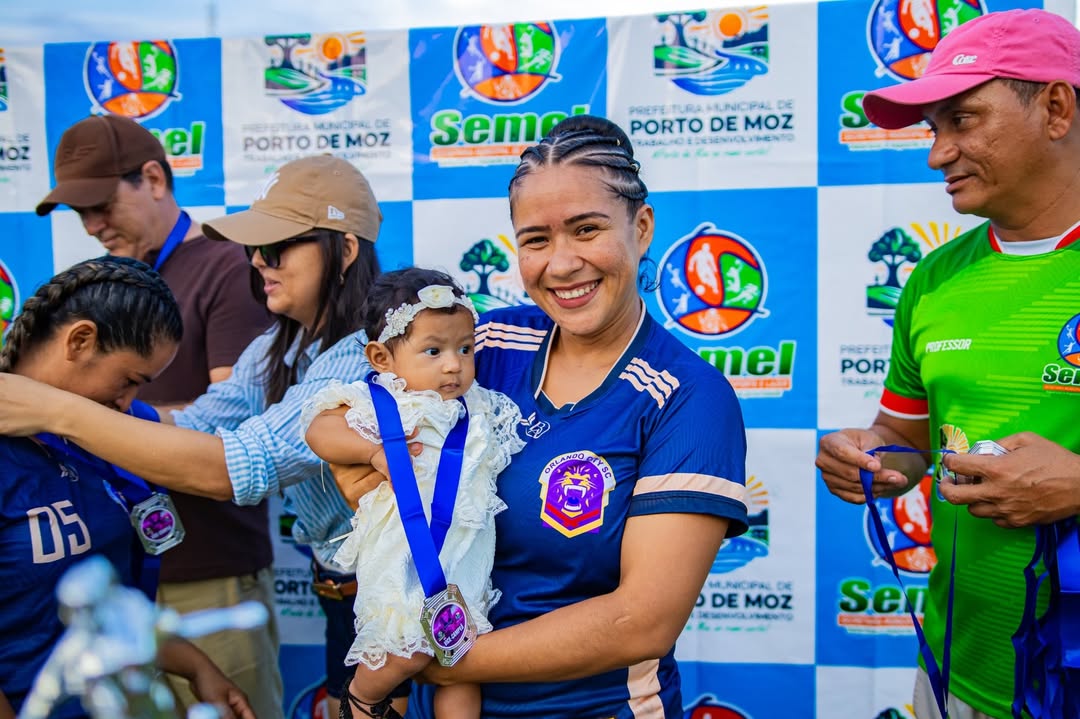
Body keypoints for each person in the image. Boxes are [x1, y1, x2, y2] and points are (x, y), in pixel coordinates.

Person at [331, 115, 749, 719]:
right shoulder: (480, 346)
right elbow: (360, 425)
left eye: (587, 229)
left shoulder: (689, 397)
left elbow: (641, 622)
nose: (562, 263)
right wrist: (365, 473)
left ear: (642, 227)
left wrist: (423, 656)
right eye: (535, 240)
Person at [0, 154, 389, 719]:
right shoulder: (280, 346)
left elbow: (238, 467)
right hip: (339, 593)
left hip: (388, 602)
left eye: (276, 246)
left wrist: (57, 409)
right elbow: (198, 422)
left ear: (345, 249)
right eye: (254, 247)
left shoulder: (366, 356)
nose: (257, 261)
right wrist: (68, 400)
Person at [816, 9, 1080, 719]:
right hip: (955, 675)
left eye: (962, 120)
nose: (937, 154)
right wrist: (871, 457)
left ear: (1056, 108)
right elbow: (905, 442)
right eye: (934, 128)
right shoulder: (934, 278)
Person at [36, 114, 279, 718]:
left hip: (206, 576)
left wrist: (78, 418)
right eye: (79, 212)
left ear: (153, 178)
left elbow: (237, 427)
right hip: (113, 579)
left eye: (100, 205)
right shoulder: (102, 284)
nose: (91, 226)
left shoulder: (228, 266)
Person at [0, 256, 254, 719]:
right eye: (129, 381)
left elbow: (108, 606)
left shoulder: (109, 426)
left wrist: (195, 666)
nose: (128, 402)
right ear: (80, 340)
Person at [301, 268, 524, 719]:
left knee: (461, 665)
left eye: (465, 348)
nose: (453, 364)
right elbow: (318, 431)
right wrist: (372, 452)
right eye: (433, 351)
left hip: (464, 558)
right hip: (403, 554)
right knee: (402, 649)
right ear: (381, 357)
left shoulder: (480, 405)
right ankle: (362, 699)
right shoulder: (383, 401)